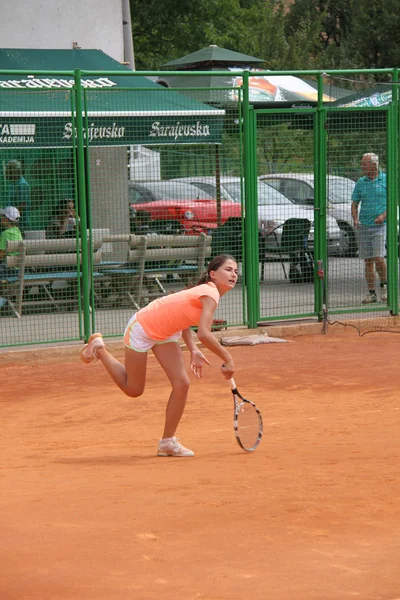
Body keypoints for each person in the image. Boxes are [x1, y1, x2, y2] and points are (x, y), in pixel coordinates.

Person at [81, 254, 238, 457]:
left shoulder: (206, 293)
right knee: (134, 389)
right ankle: (99, 349)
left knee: (182, 384)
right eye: (228, 269)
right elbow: (205, 334)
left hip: (165, 332)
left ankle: (167, 442)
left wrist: (193, 349)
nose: (233, 274)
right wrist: (228, 358)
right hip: (143, 328)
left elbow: (183, 322)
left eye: (235, 271)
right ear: (213, 274)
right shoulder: (210, 293)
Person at [351, 153, 387, 304]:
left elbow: (392, 201)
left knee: (378, 257)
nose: (362, 166)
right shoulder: (361, 182)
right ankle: (371, 293)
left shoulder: (385, 179)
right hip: (364, 225)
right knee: (368, 261)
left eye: (364, 163)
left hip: (380, 226)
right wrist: (355, 218)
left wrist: (384, 215)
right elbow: (354, 203)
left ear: (374, 165)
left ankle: (384, 287)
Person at [0, 206, 22, 311]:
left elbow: (1, 254)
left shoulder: (5, 234)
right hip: (17, 270)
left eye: (2, 216)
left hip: (6, 270)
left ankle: (3, 299)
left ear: (6, 219)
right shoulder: (17, 231)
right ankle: (4, 298)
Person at [5, 160, 31, 234]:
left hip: (20, 224)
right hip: (11, 224)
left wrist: (10, 219)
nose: (6, 173)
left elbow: (22, 205)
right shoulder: (12, 184)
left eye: (8, 170)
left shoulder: (22, 185)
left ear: (15, 171)